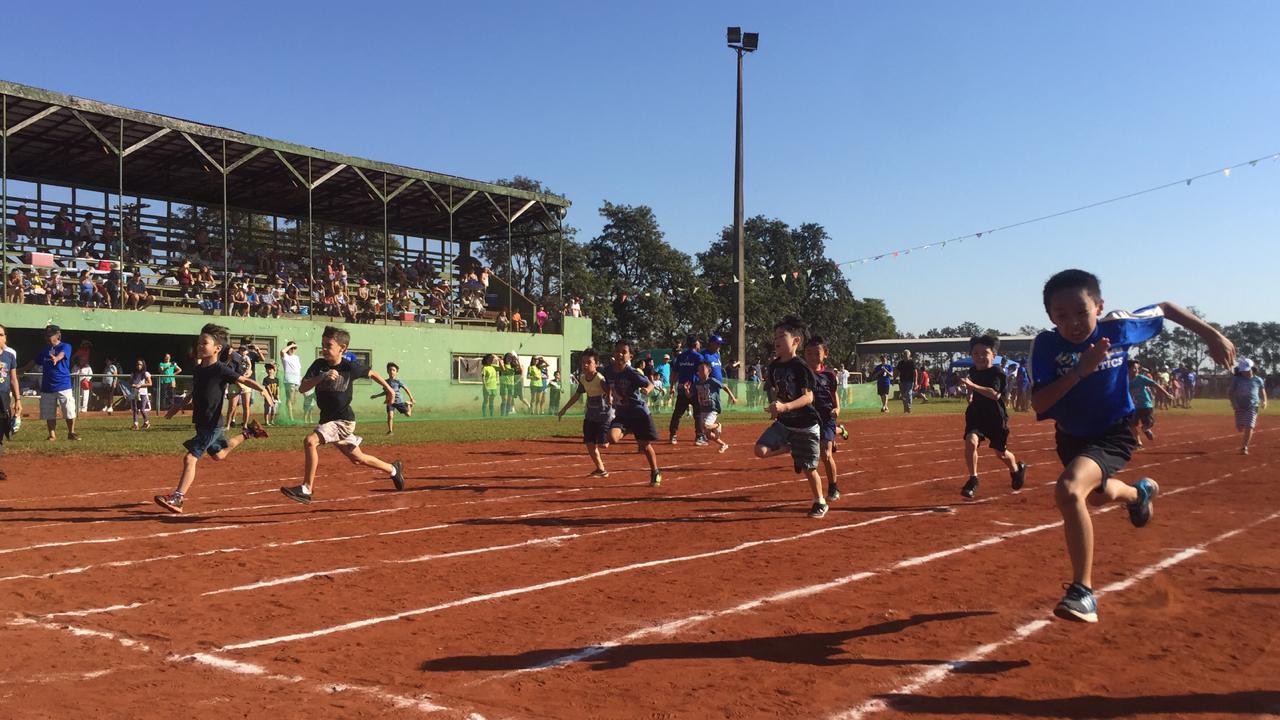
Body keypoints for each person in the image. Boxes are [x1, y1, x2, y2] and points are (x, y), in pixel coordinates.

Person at [1030, 268, 1233, 623]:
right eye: (1062, 316)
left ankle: (1083, 592)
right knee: (1098, 495)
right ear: (1050, 317)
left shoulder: (1120, 328)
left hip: (1115, 430)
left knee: (1069, 490)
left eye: (1082, 311)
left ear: (1099, 306)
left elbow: (1166, 308)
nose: (1074, 323)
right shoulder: (1046, 345)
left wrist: (1211, 335)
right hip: (1071, 435)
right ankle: (1138, 496)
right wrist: (1081, 370)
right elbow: (1040, 403)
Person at [280, 326, 406, 504]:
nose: (324, 349)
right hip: (329, 421)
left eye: (328, 345)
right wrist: (322, 377)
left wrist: (390, 391)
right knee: (358, 458)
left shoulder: (349, 367)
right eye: (322, 345)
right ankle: (393, 469)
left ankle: (306, 489)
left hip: (343, 421)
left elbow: (372, 373)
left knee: (310, 441)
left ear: (342, 348)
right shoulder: (319, 365)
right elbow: (302, 388)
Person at [153, 324, 269, 514]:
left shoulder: (220, 369)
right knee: (219, 455)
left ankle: (178, 498)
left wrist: (262, 389)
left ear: (217, 348)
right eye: (199, 342)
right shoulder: (199, 370)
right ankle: (249, 433)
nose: (199, 345)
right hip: (201, 423)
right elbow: (194, 391)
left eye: (204, 343)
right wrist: (179, 406)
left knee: (190, 458)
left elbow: (243, 380)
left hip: (212, 424)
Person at [755, 316, 826, 518]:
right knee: (759, 450)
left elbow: (809, 396)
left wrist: (785, 406)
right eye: (775, 336)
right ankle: (789, 448)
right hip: (784, 423)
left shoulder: (800, 367)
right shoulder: (774, 366)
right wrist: (775, 407)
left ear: (795, 341)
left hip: (805, 425)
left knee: (809, 468)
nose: (776, 340)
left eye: (781, 336)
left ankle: (819, 501)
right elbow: (776, 390)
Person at [958, 335, 1028, 499]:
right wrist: (969, 393)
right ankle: (973, 479)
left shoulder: (997, 372)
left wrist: (972, 386)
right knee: (971, 441)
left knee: (1000, 453)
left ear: (994, 355)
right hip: (976, 414)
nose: (980, 357)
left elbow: (994, 394)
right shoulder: (973, 371)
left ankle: (1017, 469)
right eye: (976, 353)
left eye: (985, 353)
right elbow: (972, 387)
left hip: (995, 417)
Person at [604, 340, 663, 486]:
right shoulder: (608, 370)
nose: (620, 354)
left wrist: (648, 390)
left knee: (644, 446)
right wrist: (608, 393)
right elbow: (605, 382)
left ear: (630, 356)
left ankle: (655, 471)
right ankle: (627, 429)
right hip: (623, 414)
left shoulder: (632, 373)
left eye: (624, 352)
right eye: (618, 351)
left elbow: (649, 383)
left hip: (639, 414)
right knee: (612, 437)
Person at [557, 348, 613, 477]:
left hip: (604, 415)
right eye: (583, 362)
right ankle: (601, 469)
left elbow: (609, 389)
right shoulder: (582, 378)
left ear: (596, 364)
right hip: (590, 414)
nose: (585, 365)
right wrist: (564, 409)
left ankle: (614, 431)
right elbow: (577, 395)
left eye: (589, 362)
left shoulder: (600, 378)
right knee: (589, 442)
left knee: (603, 444)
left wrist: (610, 397)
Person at [803, 336, 843, 501]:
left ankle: (833, 486)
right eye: (809, 353)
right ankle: (838, 431)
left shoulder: (829, 374)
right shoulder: (803, 373)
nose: (812, 357)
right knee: (809, 455)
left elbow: (834, 394)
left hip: (827, 417)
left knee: (826, 455)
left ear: (825, 354)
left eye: (816, 353)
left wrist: (837, 408)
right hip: (809, 419)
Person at [35, 325, 78, 441]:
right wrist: (22, 370)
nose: (48, 338)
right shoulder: (44, 350)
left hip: (63, 384)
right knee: (49, 413)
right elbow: (35, 361)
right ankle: (52, 434)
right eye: (47, 336)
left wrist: (56, 358)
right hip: (47, 386)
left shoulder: (66, 346)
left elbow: (63, 354)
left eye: (51, 336)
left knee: (69, 410)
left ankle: (71, 432)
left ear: (58, 335)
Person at [692, 360, 738, 454]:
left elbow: (724, 386)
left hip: (712, 409)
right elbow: (690, 395)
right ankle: (723, 445)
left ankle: (718, 425)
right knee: (707, 434)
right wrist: (686, 391)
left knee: (706, 426)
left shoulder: (711, 381)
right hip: (703, 409)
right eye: (699, 369)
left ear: (709, 371)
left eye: (702, 369)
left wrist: (732, 397)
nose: (700, 371)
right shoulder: (697, 383)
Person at [1127, 361, 1172, 448]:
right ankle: (1138, 443)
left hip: (1146, 405)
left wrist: (1167, 394)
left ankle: (1146, 428)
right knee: (1132, 424)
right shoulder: (1126, 380)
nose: (1136, 370)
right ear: (1128, 370)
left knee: (1149, 423)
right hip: (1134, 407)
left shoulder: (1141, 378)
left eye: (1137, 368)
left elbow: (1155, 384)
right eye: (1134, 368)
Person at [668, 335, 704, 444]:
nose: (699, 344)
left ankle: (673, 435)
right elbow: (703, 372)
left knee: (678, 413)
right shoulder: (699, 357)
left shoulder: (681, 356)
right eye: (698, 342)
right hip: (694, 389)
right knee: (698, 414)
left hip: (682, 388)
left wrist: (672, 386)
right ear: (695, 343)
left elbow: (674, 373)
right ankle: (699, 436)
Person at [1229, 358, 1267, 455]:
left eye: (1248, 371)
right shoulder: (1236, 379)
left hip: (1253, 406)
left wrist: (1264, 401)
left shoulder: (1258, 380)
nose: (1246, 373)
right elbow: (1230, 392)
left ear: (1252, 368)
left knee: (1250, 425)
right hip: (1239, 406)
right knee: (1240, 427)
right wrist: (1233, 403)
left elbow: (1262, 391)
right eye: (1244, 372)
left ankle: (1244, 447)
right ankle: (1240, 426)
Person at [0, 324, 21, 481]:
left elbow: (13, 379)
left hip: (3, 399)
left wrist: (18, 400)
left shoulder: (9, 356)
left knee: (1, 432)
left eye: (1, 335)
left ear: (5, 338)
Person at [371, 362, 415, 434]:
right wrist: (376, 396)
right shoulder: (385, 382)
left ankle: (409, 405)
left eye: (393, 370)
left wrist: (411, 398)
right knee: (390, 416)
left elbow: (406, 389)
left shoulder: (398, 381)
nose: (392, 371)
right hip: (390, 401)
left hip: (398, 401)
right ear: (388, 371)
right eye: (390, 370)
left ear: (396, 372)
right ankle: (390, 431)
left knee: (408, 415)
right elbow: (385, 392)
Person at [280, 341, 302, 421]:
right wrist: (291, 345)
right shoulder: (285, 356)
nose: (293, 349)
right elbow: (282, 351)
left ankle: (289, 414)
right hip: (289, 380)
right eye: (291, 348)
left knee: (293, 400)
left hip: (296, 381)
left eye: (294, 348)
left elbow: (298, 369)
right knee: (289, 399)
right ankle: (290, 418)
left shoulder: (296, 357)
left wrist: (300, 380)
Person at [129, 358, 153, 430]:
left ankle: (147, 422)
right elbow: (130, 382)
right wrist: (133, 385)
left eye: (140, 364)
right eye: (137, 364)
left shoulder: (146, 373)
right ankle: (135, 424)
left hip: (143, 393)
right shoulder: (133, 374)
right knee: (135, 409)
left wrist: (141, 385)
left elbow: (150, 383)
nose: (138, 366)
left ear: (143, 365)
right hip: (135, 393)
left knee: (142, 409)